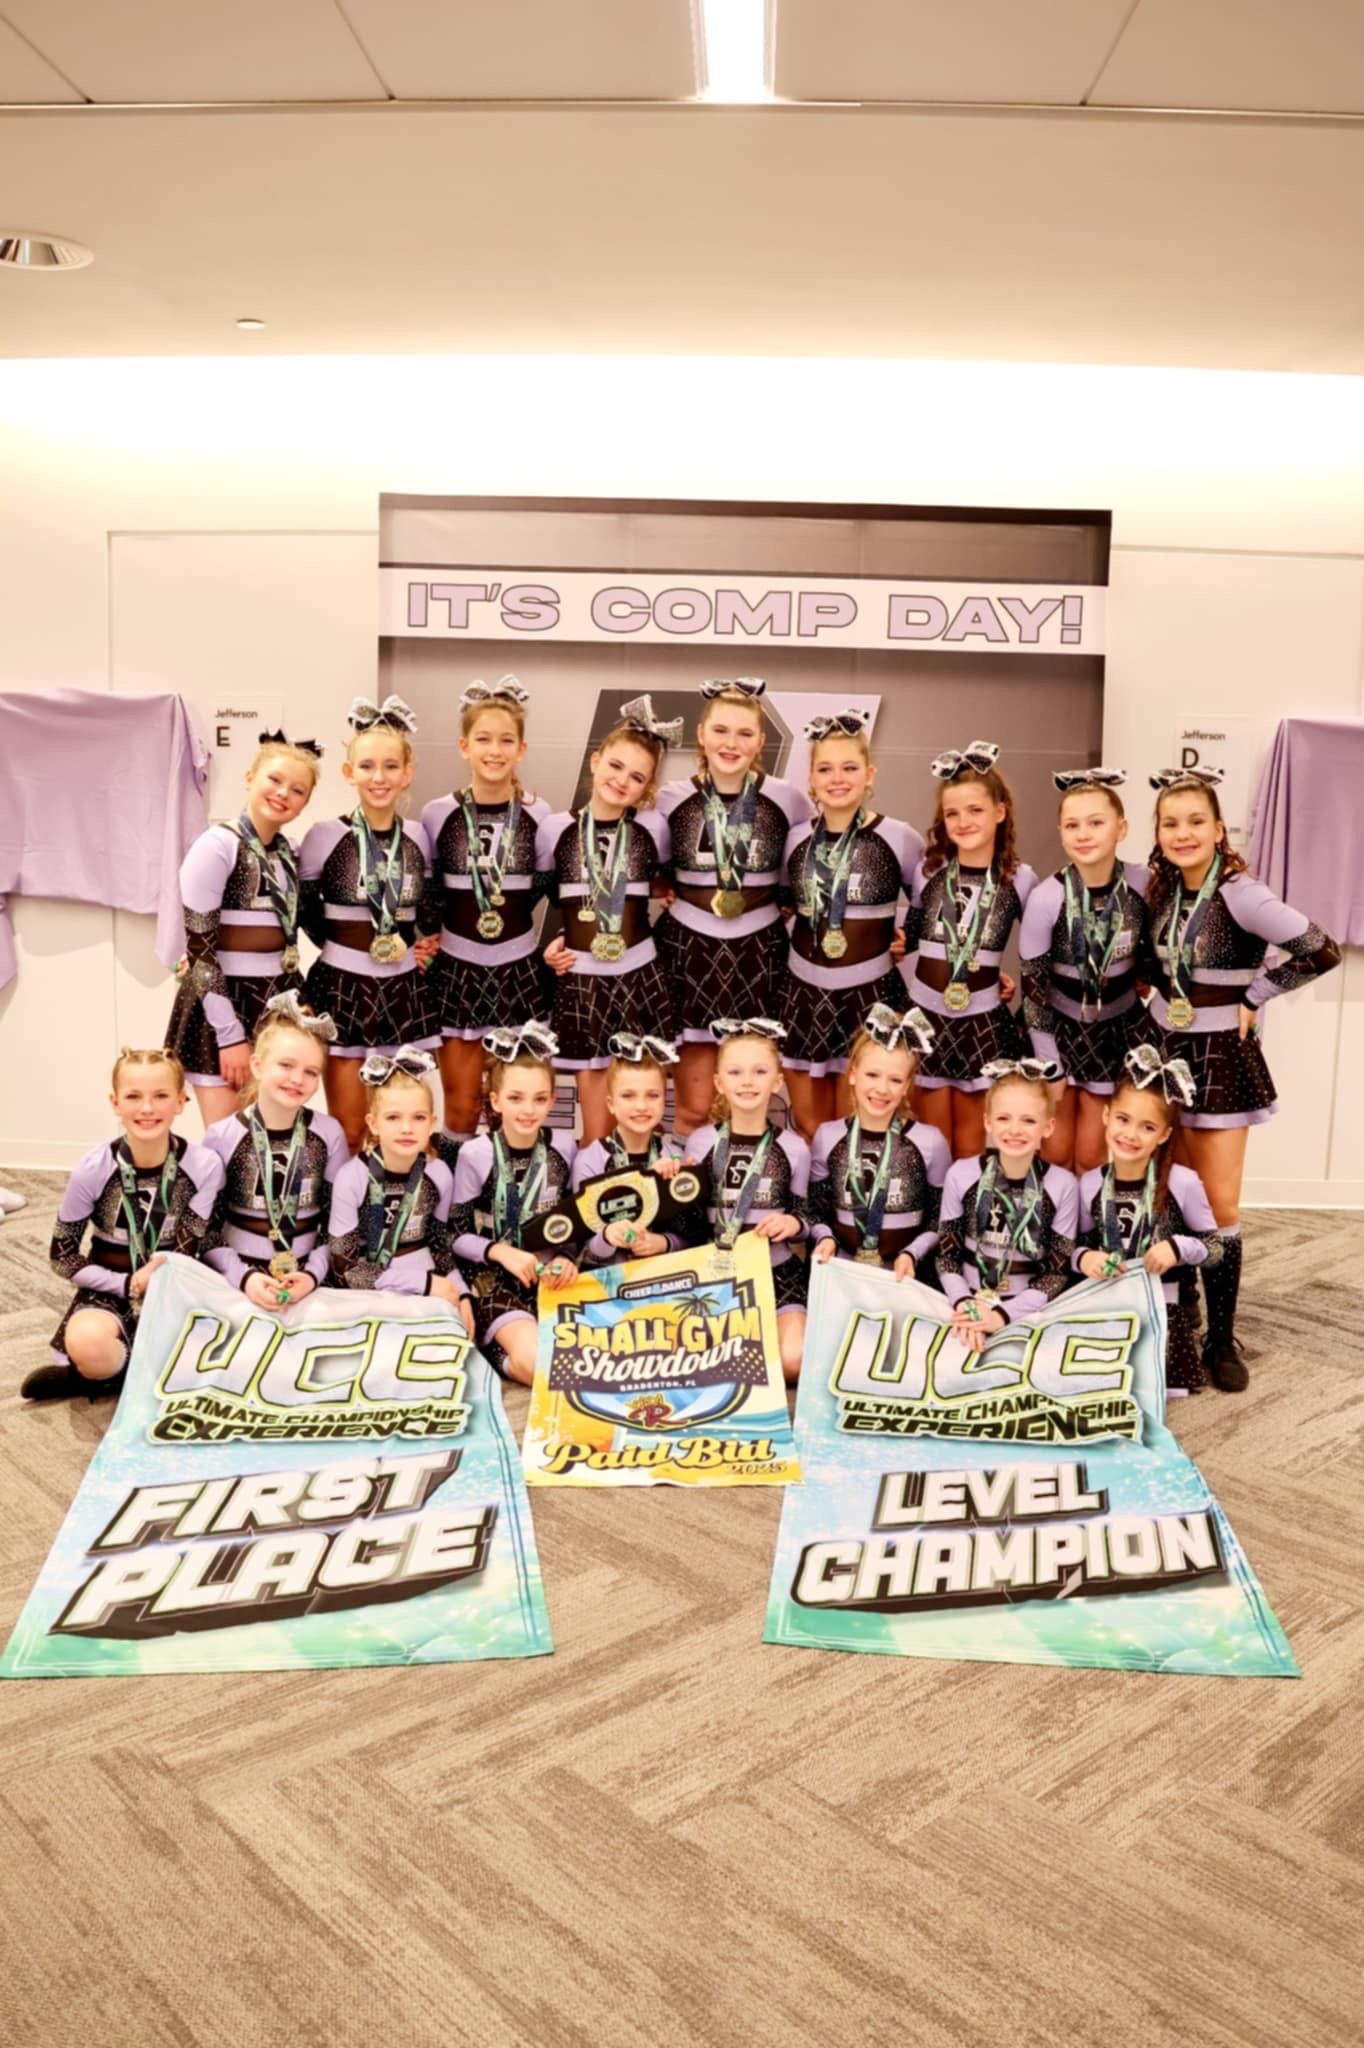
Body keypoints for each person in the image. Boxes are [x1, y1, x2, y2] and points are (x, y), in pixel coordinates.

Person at [1136, 766, 1341, 1389]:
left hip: (1222, 1055)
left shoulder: (1241, 892)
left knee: (1220, 1205)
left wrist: (1256, 993)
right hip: (1161, 1051)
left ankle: (1222, 1339)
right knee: (1167, 1190)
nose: (1183, 833)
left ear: (1219, 828)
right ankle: (1182, 1315)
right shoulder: (1162, 891)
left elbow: (1320, 947)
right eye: (1171, 823)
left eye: (1196, 821)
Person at [655, 678, 811, 1134]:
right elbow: (649, 871)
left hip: (760, 954)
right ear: (701, 734)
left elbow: (806, 874)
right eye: (721, 731)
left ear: (762, 741)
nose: (731, 743)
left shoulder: (790, 800)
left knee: (758, 1107)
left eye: (745, 734)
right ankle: (688, 1201)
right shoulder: (669, 799)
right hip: (688, 951)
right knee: (693, 1108)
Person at [22, 1048, 224, 1402]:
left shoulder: (204, 1165)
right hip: (112, 1290)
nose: (147, 1108)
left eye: (161, 1096)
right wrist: (126, 1283)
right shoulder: (92, 1169)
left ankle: (123, 1371)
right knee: (86, 1342)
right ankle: (107, 1369)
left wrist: (156, 1271)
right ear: (115, 1103)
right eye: (133, 1096)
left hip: (177, 1285)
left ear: (181, 1101)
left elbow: (189, 1242)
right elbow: (63, 1255)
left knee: (228, 1350)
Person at [299, 695, 440, 1153]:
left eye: (390, 766)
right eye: (366, 766)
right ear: (348, 772)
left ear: (407, 772)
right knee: (349, 1127)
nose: (379, 778)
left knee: (401, 1124)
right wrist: (350, 952)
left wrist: (419, 945)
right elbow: (301, 911)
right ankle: (346, 1219)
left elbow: (430, 910)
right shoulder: (324, 836)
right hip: (341, 988)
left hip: (403, 992)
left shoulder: (418, 835)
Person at [420, 677, 551, 1163]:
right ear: (463, 746)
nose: (494, 751)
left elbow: (553, 890)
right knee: (462, 1104)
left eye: (505, 741)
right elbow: (425, 893)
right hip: (456, 969)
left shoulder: (540, 815)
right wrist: (423, 938)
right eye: (483, 739)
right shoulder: (437, 814)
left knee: (515, 1106)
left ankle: (511, 1204)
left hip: (520, 971)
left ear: (521, 748)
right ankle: (458, 1211)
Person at [167, 731, 322, 1130]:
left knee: (270, 1139)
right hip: (222, 1005)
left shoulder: (290, 854)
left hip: (276, 1003)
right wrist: (229, 1035)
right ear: (249, 777)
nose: (283, 793)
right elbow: (200, 951)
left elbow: (313, 924)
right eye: (274, 779)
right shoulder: (218, 846)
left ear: (305, 803)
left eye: (298, 790)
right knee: (228, 1141)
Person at [539, 696, 677, 1143]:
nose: (622, 781)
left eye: (637, 777)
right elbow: (543, 901)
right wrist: (555, 941)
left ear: (648, 788)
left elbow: (668, 886)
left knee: (636, 1118)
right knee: (595, 1129)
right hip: (582, 980)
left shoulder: (653, 829)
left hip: (640, 976)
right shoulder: (554, 829)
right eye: (615, 766)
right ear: (595, 760)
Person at [780, 710, 923, 1138]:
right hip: (802, 995)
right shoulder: (794, 839)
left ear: (869, 774)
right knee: (809, 1124)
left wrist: (906, 939)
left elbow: (930, 906)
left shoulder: (900, 837)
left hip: (871, 996)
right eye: (825, 768)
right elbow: (781, 903)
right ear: (810, 777)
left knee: (861, 1125)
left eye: (849, 767)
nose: (837, 778)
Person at [905, 740, 1037, 1161]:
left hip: (983, 1023)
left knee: (971, 1144)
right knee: (929, 1142)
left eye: (975, 811)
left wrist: (997, 977)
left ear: (1000, 812)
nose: (963, 822)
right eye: (952, 813)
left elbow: (1038, 953)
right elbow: (909, 935)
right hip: (925, 1015)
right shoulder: (926, 870)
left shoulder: (1021, 879)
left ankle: (965, 1224)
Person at [1020, 768, 1149, 1172]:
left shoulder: (1145, 884)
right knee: (1055, 1153)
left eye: (1096, 823)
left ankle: (1085, 1236)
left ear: (1121, 828)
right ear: (1060, 831)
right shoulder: (1046, 898)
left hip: (1116, 1032)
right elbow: (1034, 990)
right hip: (1055, 1029)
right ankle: (1054, 1232)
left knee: (1093, 1154)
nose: (1084, 834)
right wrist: (1050, 1064)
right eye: (1072, 825)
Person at [1074, 1047, 1220, 1397]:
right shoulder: (1090, 1182)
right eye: (1123, 1119)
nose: (1131, 1134)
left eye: (1147, 1127)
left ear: (1164, 1135)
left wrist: (1177, 1247)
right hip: (1105, 1300)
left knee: (1149, 1391)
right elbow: (1070, 1247)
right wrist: (1085, 1258)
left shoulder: (1182, 1182)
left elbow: (1216, 1250)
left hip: (1161, 1307)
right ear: (1106, 1116)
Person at [201, 993, 349, 1310]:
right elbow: (206, 1231)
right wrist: (244, 1278)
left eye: (311, 1072)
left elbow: (337, 1226)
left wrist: (312, 1276)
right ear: (257, 1065)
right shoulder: (221, 1136)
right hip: (237, 1281)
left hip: (310, 1281)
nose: (298, 1079)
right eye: (286, 1065)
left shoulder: (329, 1134)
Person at [681, 1017, 809, 1383]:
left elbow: (808, 1215)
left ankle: (749, 1345)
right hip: (714, 1273)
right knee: (697, 1358)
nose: (748, 1081)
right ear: (719, 1083)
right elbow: (688, 1224)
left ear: (778, 1081)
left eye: (759, 1071)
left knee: (793, 1360)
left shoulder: (794, 1147)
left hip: (777, 1272)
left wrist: (793, 1224)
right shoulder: (701, 1143)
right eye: (735, 1072)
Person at [450, 1022, 578, 1385]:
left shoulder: (564, 1147)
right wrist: (501, 1253)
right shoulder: (476, 1153)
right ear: (495, 1101)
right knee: (542, 1367)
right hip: (496, 1279)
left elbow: (574, 1220)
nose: (528, 1110)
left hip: (551, 1278)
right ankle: (493, 1354)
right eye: (516, 1098)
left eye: (540, 1099)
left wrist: (566, 1257)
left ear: (553, 1100)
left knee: (592, 1358)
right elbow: (453, 1234)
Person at [326, 1047, 475, 1336]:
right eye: (393, 1118)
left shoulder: (439, 1173)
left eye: (418, 1118)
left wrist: (463, 1293)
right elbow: (344, 1268)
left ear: (432, 1123)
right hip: (368, 1292)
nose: (407, 1128)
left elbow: (440, 1248)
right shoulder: (351, 1178)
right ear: (373, 1123)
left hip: (426, 1287)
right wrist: (424, 1283)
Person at [934, 1058, 1078, 1352]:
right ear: (987, 1121)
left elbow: (1057, 1271)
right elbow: (946, 1256)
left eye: (1028, 1120)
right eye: (1003, 1118)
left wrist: (1002, 1316)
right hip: (966, 1298)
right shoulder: (960, 1174)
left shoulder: (1063, 1185)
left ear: (1048, 1127)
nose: (1015, 1130)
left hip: (1029, 1307)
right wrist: (967, 1308)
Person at [808, 1003, 949, 1279]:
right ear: (852, 1074)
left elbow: (942, 1220)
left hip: (904, 1278)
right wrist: (826, 1238)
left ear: (907, 1086)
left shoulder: (930, 1142)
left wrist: (913, 1253)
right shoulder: (828, 1136)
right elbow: (813, 1210)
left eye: (895, 1080)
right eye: (872, 1075)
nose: (882, 1089)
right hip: (843, 1274)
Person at [572, 1032, 686, 1266]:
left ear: (665, 1100)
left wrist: (663, 1243)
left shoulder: (674, 1158)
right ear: (611, 1104)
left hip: (661, 1281)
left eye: (652, 1095)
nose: (641, 1106)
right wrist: (606, 1237)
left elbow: (694, 1238)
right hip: (608, 1287)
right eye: (628, 1096)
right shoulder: (590, 1160)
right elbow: (583, 1250)